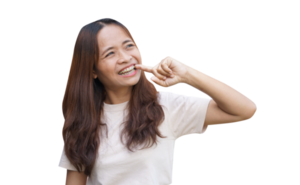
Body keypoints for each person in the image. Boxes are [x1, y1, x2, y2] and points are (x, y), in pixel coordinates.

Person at [57, 17, 258, 185]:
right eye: (110, 53)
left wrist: (186, 74)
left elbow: (246, 109)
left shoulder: (165, 106)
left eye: (129, 46)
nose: (126, 57)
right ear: (92, 70)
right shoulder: (82, 122)